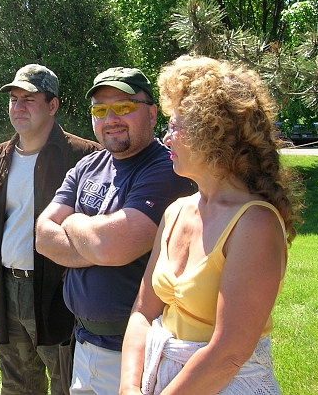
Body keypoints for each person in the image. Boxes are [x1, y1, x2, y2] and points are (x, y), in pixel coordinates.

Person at [119, 56, 302, 395]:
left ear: (212, 134)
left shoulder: (254, 223)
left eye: (175, 127)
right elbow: (142, 312)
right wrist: (129, 386)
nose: (166, 139)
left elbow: (228, 354)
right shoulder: (176, 212)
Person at [35, 68, 196, 395]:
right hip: (83, 343)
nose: (111, 119)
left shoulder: (167, 169)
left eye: (124, 107)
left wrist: (74, 223)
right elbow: (42, 236)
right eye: (100, 110)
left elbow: (117, 245)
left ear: (152, 113)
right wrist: (97, 245)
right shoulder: (87, 166)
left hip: (136, 353)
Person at [0, 64, 101, 395]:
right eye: (14, 100)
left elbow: (98, 234)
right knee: (17, 386)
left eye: (29, 100)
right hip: (6, 290)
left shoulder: (85, 157)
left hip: (57, 299)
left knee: (68, 385)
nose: (18, 107)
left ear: (53, 105)